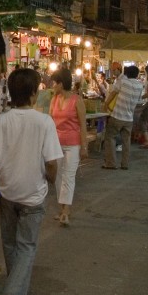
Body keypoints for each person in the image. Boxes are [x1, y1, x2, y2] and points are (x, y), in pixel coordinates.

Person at [0, 68, 63, 295]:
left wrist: (5, 167)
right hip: (33, 194)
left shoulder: (1, 121)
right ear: (32, 93)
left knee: (10, 243)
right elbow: (51, 163)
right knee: (26, 246)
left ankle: (13, 291)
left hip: (8, 192)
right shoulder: (44, 122)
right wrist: (50, 179)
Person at [48, 68, 88, 227]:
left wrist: (84, 146)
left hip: (73, 144)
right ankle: (62, 208)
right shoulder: (54, 100)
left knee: (69, 176)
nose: (52, 85)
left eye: (54, 82)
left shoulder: (77, 100)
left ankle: (66, 210)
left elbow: (83, 125)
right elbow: (50, 123)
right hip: (56, 143)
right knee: (57, 176)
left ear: (61, 83)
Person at [103, 65, 143, 170]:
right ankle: (125, 164)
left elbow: (113, 93)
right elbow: (139, 101)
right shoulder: (140, 86)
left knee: (110, 137)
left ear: (126, 74)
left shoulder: (123, 82)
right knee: (126, 141)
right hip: (129, 118)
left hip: (117, 115)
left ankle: (111, 163)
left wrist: (106, 104)